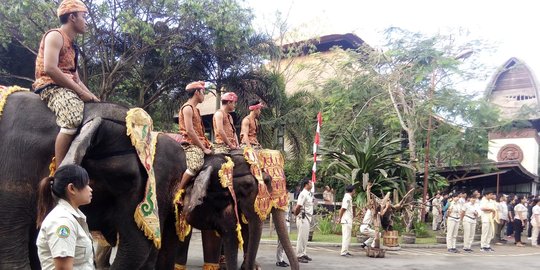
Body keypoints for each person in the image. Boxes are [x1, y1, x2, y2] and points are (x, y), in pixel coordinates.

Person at [32, 0, 100, 168]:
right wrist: (80, 92)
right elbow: (50, 68)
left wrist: (92, 96)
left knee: (97, 107)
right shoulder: (55, 35)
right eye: (84, 17)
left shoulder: (72, 45)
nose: (87, 22)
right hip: (50, 85)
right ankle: (62, 170)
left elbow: (75, 78)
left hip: (66, 86)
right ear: (72, 17)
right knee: (72, 116)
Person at [36, 164, 94, 270]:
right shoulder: (62, 222)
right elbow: (63, 268)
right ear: (71, 188)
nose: (90, 189)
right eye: (86, 185)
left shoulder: (72, 218)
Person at [175, 81, 213, 201]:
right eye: (203, 92)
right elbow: (190, 131)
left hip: (200, 142)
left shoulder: (196, 109)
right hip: (190, 143)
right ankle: (179, 192)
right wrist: (203, 148)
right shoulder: (187, 108)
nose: (204, 95)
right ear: (197, 92)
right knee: (195, 165)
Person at [293, 178, 314, 263]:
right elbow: (298, 206)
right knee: (301, 237)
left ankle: (303, 253)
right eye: (310, 183)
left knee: (305, 237)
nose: (311, 184)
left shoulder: (308, 194)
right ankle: (299, 255)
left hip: (308, 217)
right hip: (303, 217)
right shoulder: (303, 194)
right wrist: (297, 215)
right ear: (306, 184)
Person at [337, 185, 355, 257]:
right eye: (354, 190)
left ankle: (346, 250)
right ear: (353, 190)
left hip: (348, 219)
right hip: (346, 220)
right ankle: (344, 252)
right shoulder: (347, 197)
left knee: (347, 236)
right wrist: (339, 218)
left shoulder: (348, 197)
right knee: (346, 236)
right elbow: (343, 208)